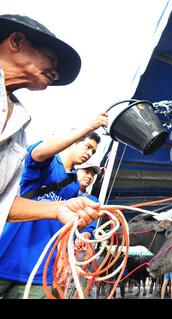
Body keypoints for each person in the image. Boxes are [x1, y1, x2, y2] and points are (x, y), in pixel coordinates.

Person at [0, 14, 103, 236]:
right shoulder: (47, 161)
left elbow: (3, 203)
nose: (55, 74)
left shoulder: (18, 125)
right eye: (51, 59)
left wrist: (57, 208)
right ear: (16, 41)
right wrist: (87, 126)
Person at [0, 115, 107, 298]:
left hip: (41, 267)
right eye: (88, 146)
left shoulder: (74, 184)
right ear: (72, 141)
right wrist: (87, 126)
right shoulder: (47, 164)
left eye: (93, 152)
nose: (89, 154)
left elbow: (66, 227)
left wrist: (64, 257)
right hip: (8, 255)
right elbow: (38, 153)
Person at [74, 162, 102, 248]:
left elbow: (91, 227)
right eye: (86, 172)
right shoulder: (61, 191)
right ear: (75, 171)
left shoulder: (93, 201)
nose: (90, 176)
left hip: (72, 247)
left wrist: (85, 235)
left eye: (93, 175)